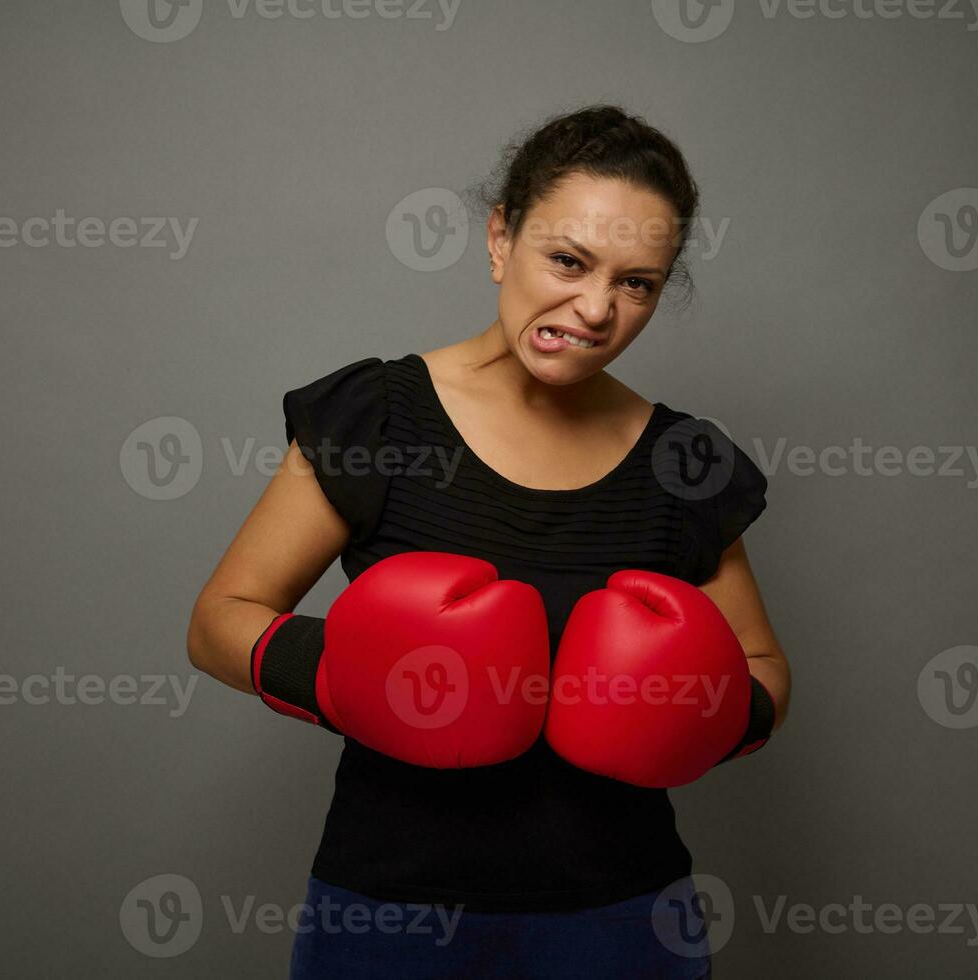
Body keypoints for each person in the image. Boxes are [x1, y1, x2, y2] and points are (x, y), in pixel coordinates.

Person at [186, 103, 791, 979]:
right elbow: (217, 620)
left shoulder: (682, 461)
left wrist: (698, 708)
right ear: (500, 238)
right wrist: (346, 675)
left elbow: (765, 668)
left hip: (622, 920)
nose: (594, 308)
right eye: (567, 261)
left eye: (636, 283)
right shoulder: (382, 416)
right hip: (388, 914)